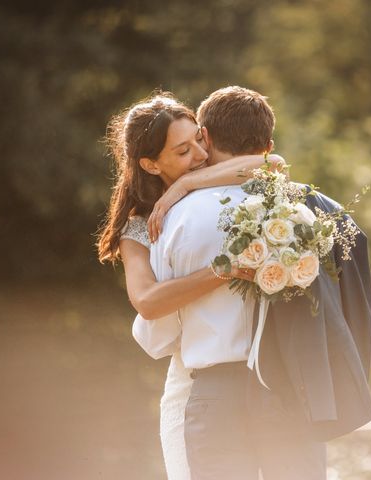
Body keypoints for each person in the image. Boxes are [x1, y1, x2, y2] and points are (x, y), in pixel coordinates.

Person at [136, 86, 332, 479]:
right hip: (290, 386)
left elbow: (158, 338)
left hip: (214, 390)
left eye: (195, 143)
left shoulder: (171, 220)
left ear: (205, 137)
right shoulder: (302, 211)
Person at [96, 91, 285, 479]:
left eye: (199, 140)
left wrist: (186, 184)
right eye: (182, 152)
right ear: (150, 164)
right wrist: (225, 270)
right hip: (193, 384)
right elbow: (147, 302)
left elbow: (274, 163)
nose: (200, 154)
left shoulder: (204, 184)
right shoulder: (138, 226)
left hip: (252, 383)